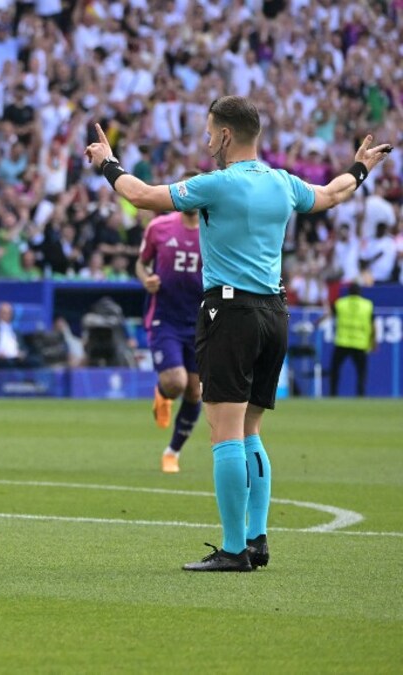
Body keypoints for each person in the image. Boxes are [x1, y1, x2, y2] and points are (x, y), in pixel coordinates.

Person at [85, 97, 393, 572]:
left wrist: (108, 163)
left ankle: (233, 550)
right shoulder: (283, 182)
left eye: (211, 132)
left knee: (224, 432)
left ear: (226, 135)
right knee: (251, 430)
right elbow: (332, 194)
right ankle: (257, 539)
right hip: (275, 313)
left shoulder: (217, 184)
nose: (208, 140)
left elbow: (141, 195)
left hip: (230, 313)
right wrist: (360, 168)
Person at [135, 199, 203, 474]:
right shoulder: (159, 227)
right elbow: (141, 264)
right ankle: (163, 394)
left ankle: (172, 452)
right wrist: (146, 279)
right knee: (176, 382)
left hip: (201, 320)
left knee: (194, 391)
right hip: (166, 318)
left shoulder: (215, 230)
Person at [328, 283, 376, 397]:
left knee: (335, 369)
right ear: (360, 292)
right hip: (360, 343)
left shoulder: (340, 303)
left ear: (348, 292)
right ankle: (361, 395)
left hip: (343, 342)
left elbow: (329, 314)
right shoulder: (367, 305)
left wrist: (316, 323)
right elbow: (373, 325)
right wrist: (373, 341)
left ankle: (333, 394)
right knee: (361, 372)